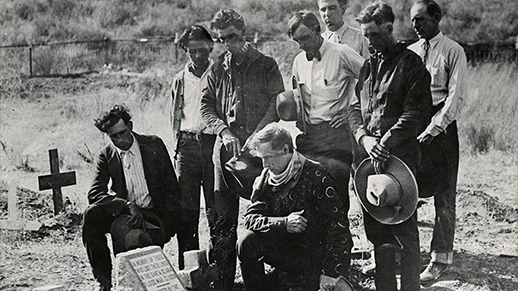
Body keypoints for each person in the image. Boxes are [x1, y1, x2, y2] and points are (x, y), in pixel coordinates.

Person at [200, 9, 285, 290]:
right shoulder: (216, 68)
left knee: (263, 213)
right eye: (221, 39)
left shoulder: (266, 65)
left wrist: (258, 135)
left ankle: (266, 279)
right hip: (224, 155)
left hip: (260, 154)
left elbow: (277, 102)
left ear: (244, 33)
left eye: (232, 37)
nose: (227, 44)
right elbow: (206, 107)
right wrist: (223, 132)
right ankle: (224, 281)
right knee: (222, 220)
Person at [350, 3, 432, 290]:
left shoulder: (411, 64)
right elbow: (353, 110)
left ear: (388, 27)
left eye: (373, 34)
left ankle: (410, 287)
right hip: (369, 161)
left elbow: (416, 112)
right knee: (376, 229)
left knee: (405, 230)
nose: (369, 41)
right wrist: (365, 138)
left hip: (401, 161)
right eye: (365, 36)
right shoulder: (367, 66)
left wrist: (385, 141)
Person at [284, 11, 364, 272]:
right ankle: (315, 260)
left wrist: (352, 109)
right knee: (307, 195)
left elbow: (372, 77)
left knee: (335, 196)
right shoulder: (298, 61)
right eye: (297, 41)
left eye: (305, 38)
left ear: (318, 31)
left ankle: (341, 263)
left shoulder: (341, 53)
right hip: (309, 137)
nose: (302, 45)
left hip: (336, 135)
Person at [237, 123, 352, 291]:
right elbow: (250, 219)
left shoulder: (317, 175)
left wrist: (331, 273)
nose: (265, 165)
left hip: (314, 255)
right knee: (246, 241)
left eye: (268, 157)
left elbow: (339, 229)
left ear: (285, 150)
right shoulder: (265, 178)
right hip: (285, 251)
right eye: (261, 159)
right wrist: (283, 223)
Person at [83, 104, 180, 291]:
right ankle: (103, 281)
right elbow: (94, 193)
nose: (120, 140)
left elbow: (172, 189)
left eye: (123, 133)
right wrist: (126, 205)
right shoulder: (107, 154)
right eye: (114, 137)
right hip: (124, 213)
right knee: (91, 214)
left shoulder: (153, 144)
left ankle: (132, 281)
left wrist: (167, 226)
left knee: (132, 238)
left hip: (151, 214)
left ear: (131, 126)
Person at [408, 0, 467, 282]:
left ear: (436, 18)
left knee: (444, 194)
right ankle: (405, 253)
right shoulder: (409, 52)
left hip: (441, 129)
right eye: (412, 21)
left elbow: (455, 97)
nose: (415, 25)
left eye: (420, 19)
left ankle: (440, 256)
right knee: (407, 190)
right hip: (412, 125)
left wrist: (434, 128)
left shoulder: (453, 51)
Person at [170, 25, 217, 270]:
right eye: (192, 51)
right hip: (187, 147)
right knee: (187, 212)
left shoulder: (220, 74)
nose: (197, 56)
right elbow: (176, 116)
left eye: (202, 50)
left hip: (212, 145)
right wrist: (177, 146)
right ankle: (189, 270)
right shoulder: (180, 79)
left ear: (210, 47)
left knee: (215, 209)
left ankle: (218, 267)